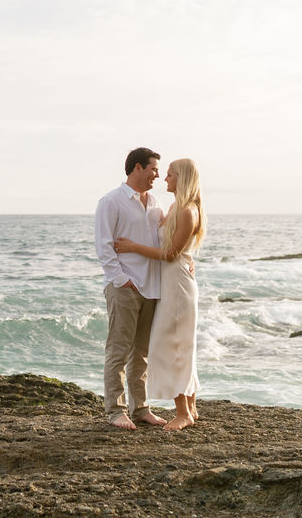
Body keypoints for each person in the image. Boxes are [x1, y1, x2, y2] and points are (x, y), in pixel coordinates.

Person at [114, 158, 207, 431]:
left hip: (178, 286)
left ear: (183, 178)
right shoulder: (175, 208)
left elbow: (170, 254)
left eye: (170, 175)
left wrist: (132, 247)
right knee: (178, 344)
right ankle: (190, 408)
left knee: (175, 346)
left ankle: (182, 414)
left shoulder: (188, 211)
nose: (165, 179)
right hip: (172, 283)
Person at [94, 147, 167, 430]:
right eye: (153, 169)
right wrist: (121, 279)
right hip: (125, 286)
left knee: (142, 353)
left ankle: (141, 408)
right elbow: (103, 246)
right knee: (118, 350)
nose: (157, 175)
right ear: (137, 168)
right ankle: (115, 410)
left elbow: (162, 242)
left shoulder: (156, 202)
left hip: (152, 287)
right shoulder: (111, 201)